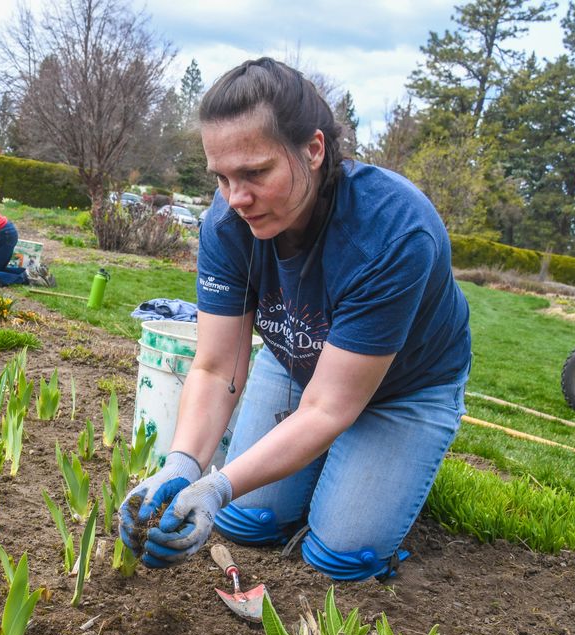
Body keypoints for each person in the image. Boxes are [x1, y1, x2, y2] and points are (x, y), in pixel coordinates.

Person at [118, 58, 471, 581]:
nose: (237, 198)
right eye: (222, 177)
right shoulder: (226, 225)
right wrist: (184, 465)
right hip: (297, 361)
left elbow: (329, 408)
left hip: (407, 387)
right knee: (248, 521)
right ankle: (323, 474)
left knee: (341, 558)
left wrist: (219, 484)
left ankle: (377, 466)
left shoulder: (393, 233)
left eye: (256, 172)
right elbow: (215, 369)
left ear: (313, 149)